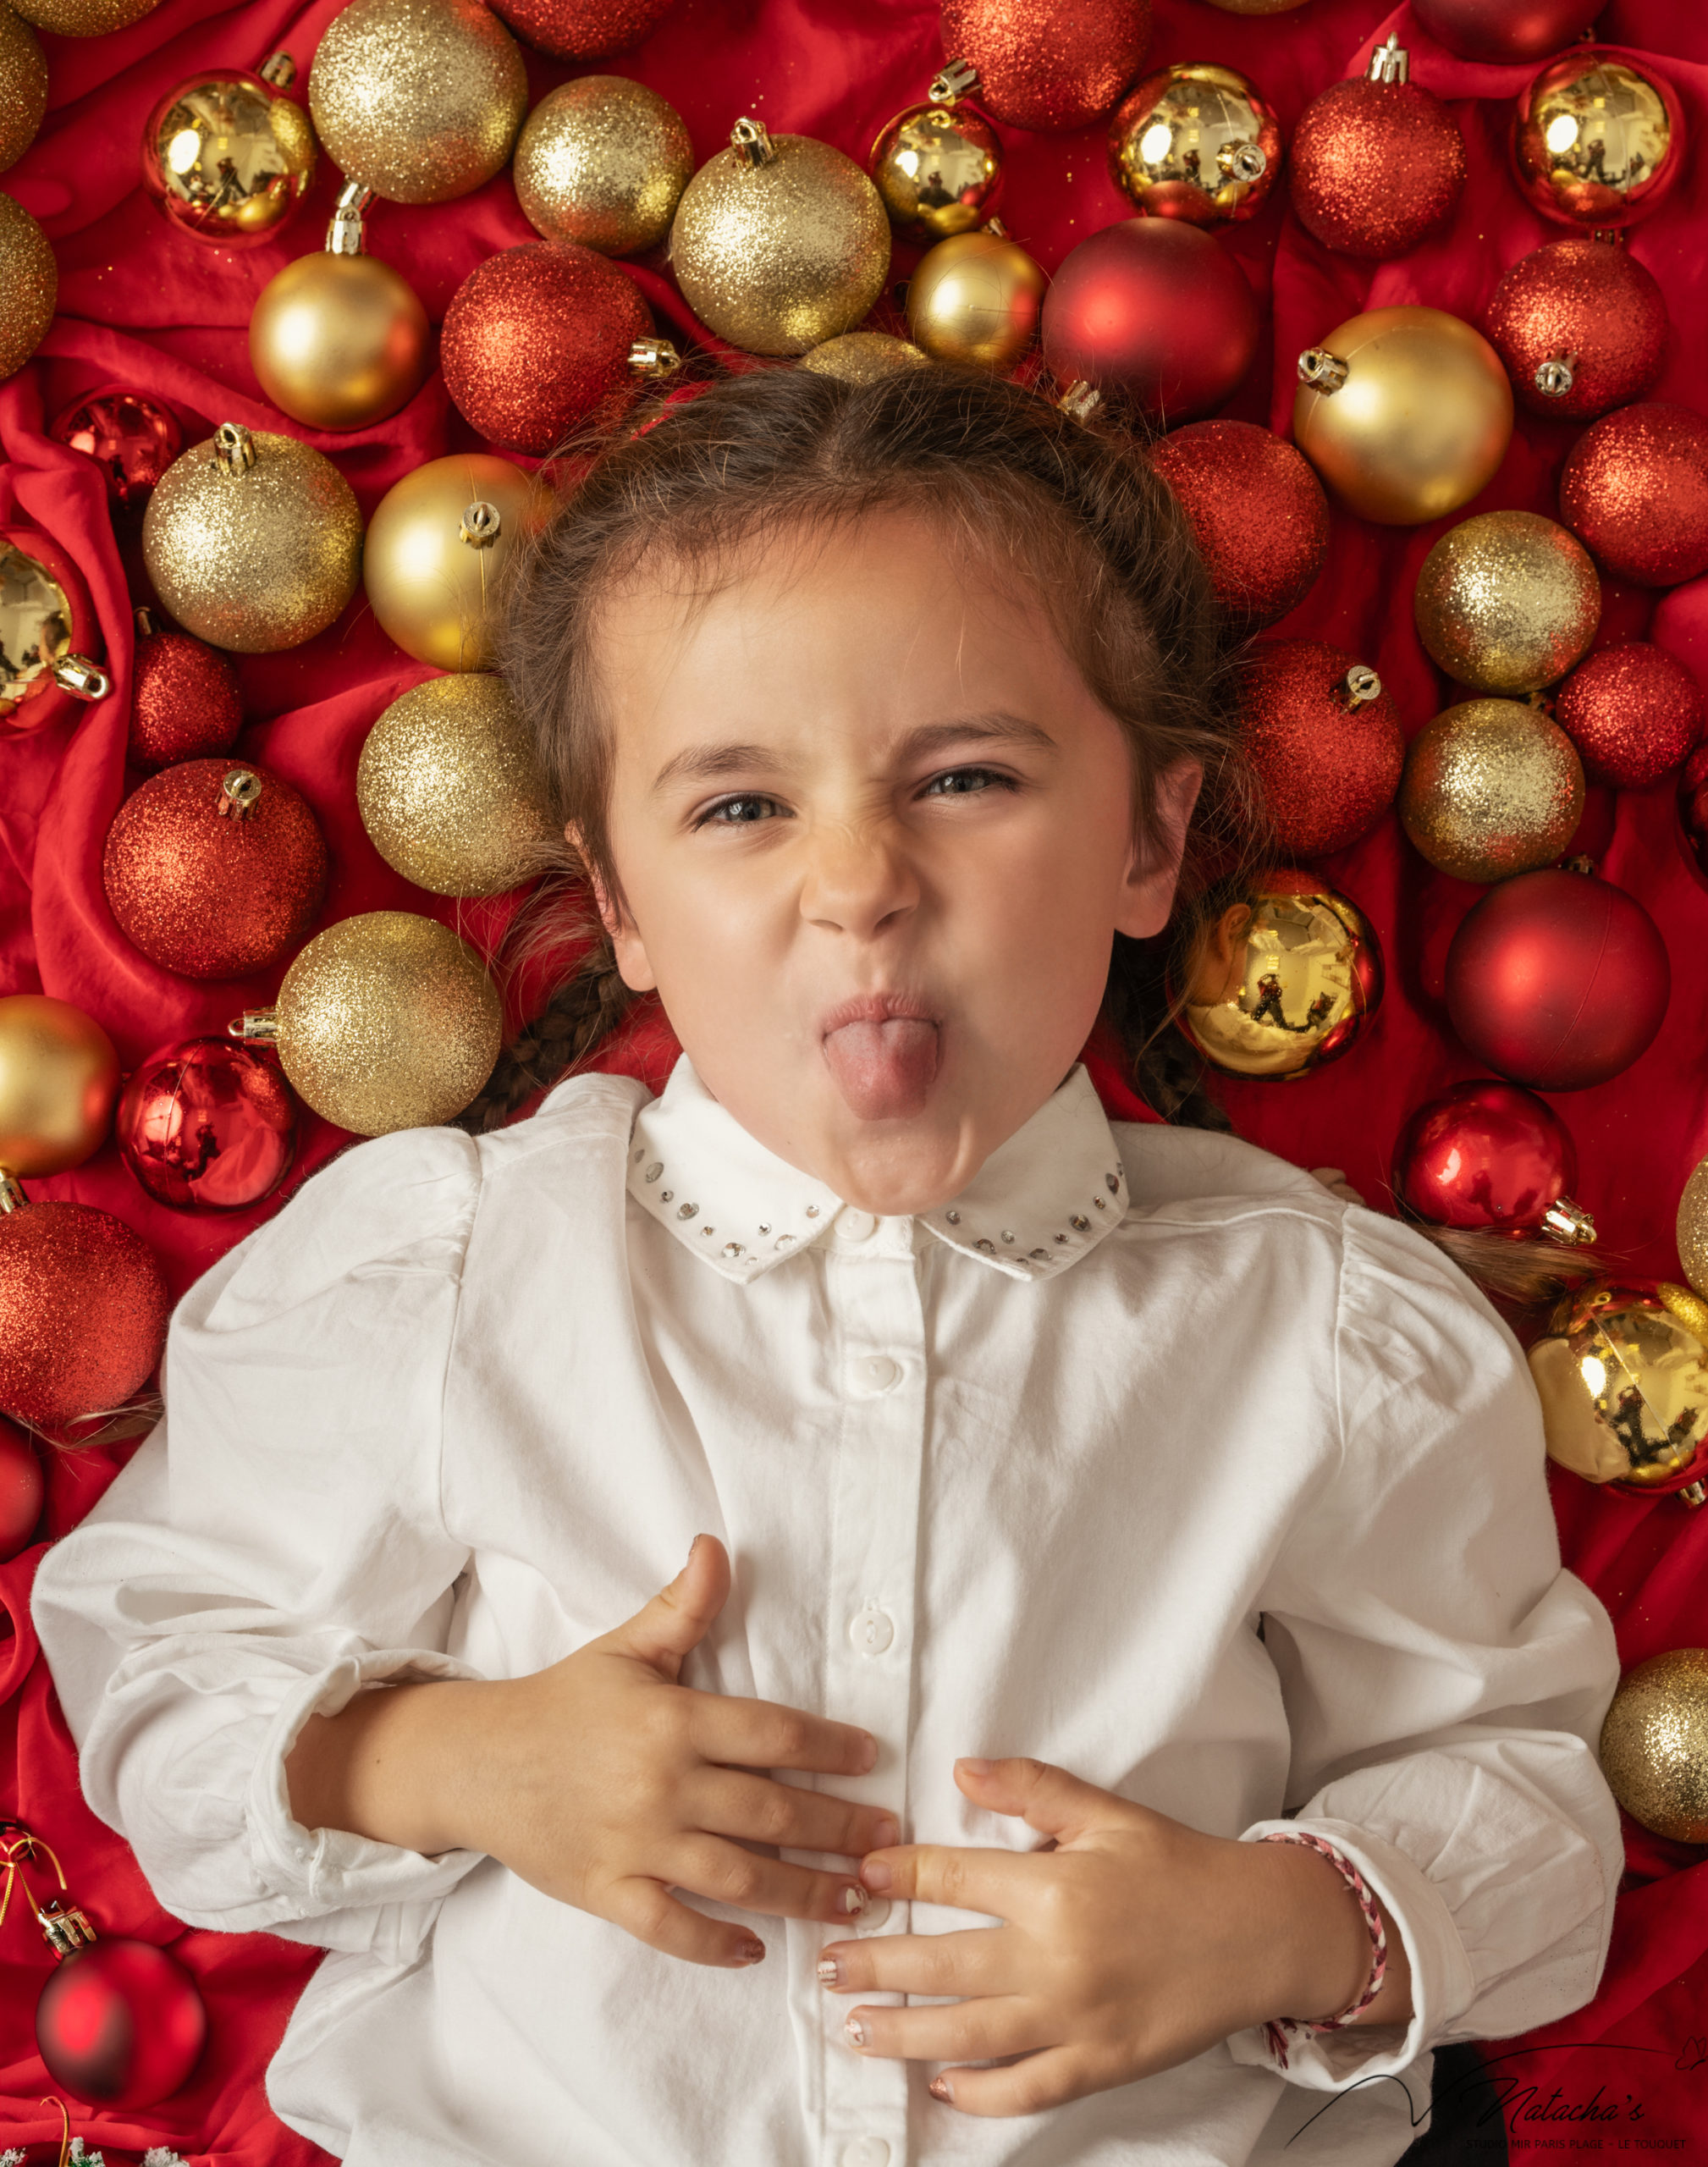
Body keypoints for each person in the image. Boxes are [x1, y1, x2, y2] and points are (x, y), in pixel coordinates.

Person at [30, 365, 1623, 2167]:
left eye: (963, 776)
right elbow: (162, 1662)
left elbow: (1524, 1793)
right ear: (618, 902)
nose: (859, 884)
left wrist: (1277, 1923)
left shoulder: (1318, 1330)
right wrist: (447, 1760)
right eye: (736, 808)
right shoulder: (456, 1272)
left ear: (1147, 837)